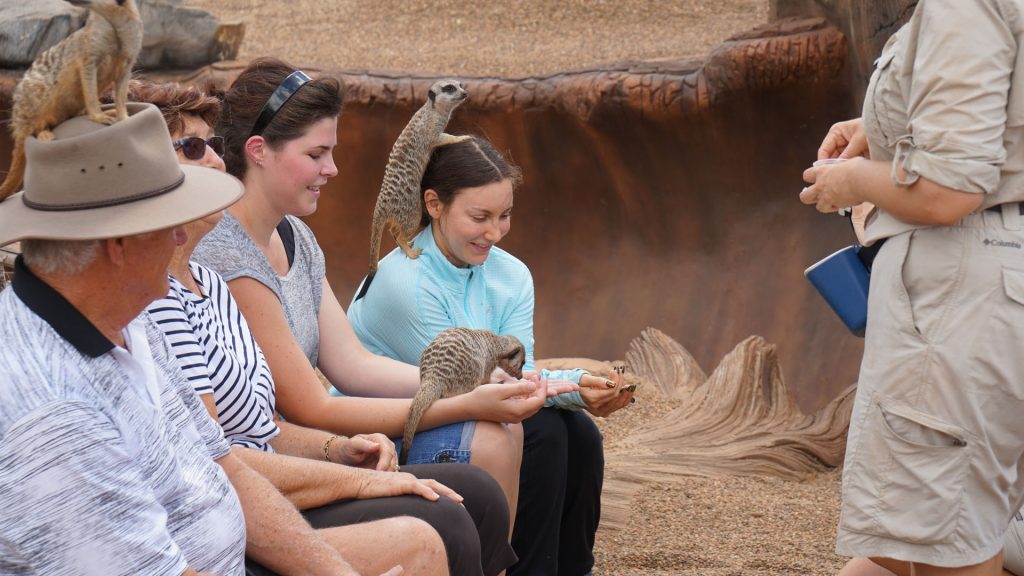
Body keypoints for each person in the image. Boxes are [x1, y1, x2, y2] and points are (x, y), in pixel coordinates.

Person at [0, 103, 424, 575]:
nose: (182, 237)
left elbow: (226, 467)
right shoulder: (53, 414)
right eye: (170, 222)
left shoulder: (128, 325)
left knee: (420, 540)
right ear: (118, 244)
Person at [132, 79, 516, 576]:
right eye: (192, 148)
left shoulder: (217, 278)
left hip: (275, 473)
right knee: (451, 511)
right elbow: (222, 460)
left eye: (213, 144)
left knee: (486, 488)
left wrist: (338, 450)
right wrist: (461, 404)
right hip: (232, 517)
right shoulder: (177, 285)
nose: (216, 161)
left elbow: (276, 419)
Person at [191, 58, 576, 535]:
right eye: (316, 154)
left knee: (545, 434)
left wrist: (478, 385)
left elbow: (353, 365)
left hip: (318, 445)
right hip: (276, 470)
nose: (332, 169)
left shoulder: (294, 236)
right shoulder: (228, 254)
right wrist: (467, 402)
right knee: (493, 444)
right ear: (258, 151)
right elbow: (314, 408)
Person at [799, 0, 1024, 574]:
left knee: (939, 542)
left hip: (963, 292)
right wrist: (881, 129)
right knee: (897, 549)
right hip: (992, 291)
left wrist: (852, 181)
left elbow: (947, 192)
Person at [346, 134, 634, 576]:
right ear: (434, 204)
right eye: (479, 217)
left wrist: (579, 389)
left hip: (462, 406)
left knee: (580, 435)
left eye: (505, 215)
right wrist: (571, 386)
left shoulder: (511, 274)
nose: (495, 233)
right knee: (542, 433)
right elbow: (471, 389)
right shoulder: (406, 284)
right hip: (387, 431)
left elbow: (519, 374)